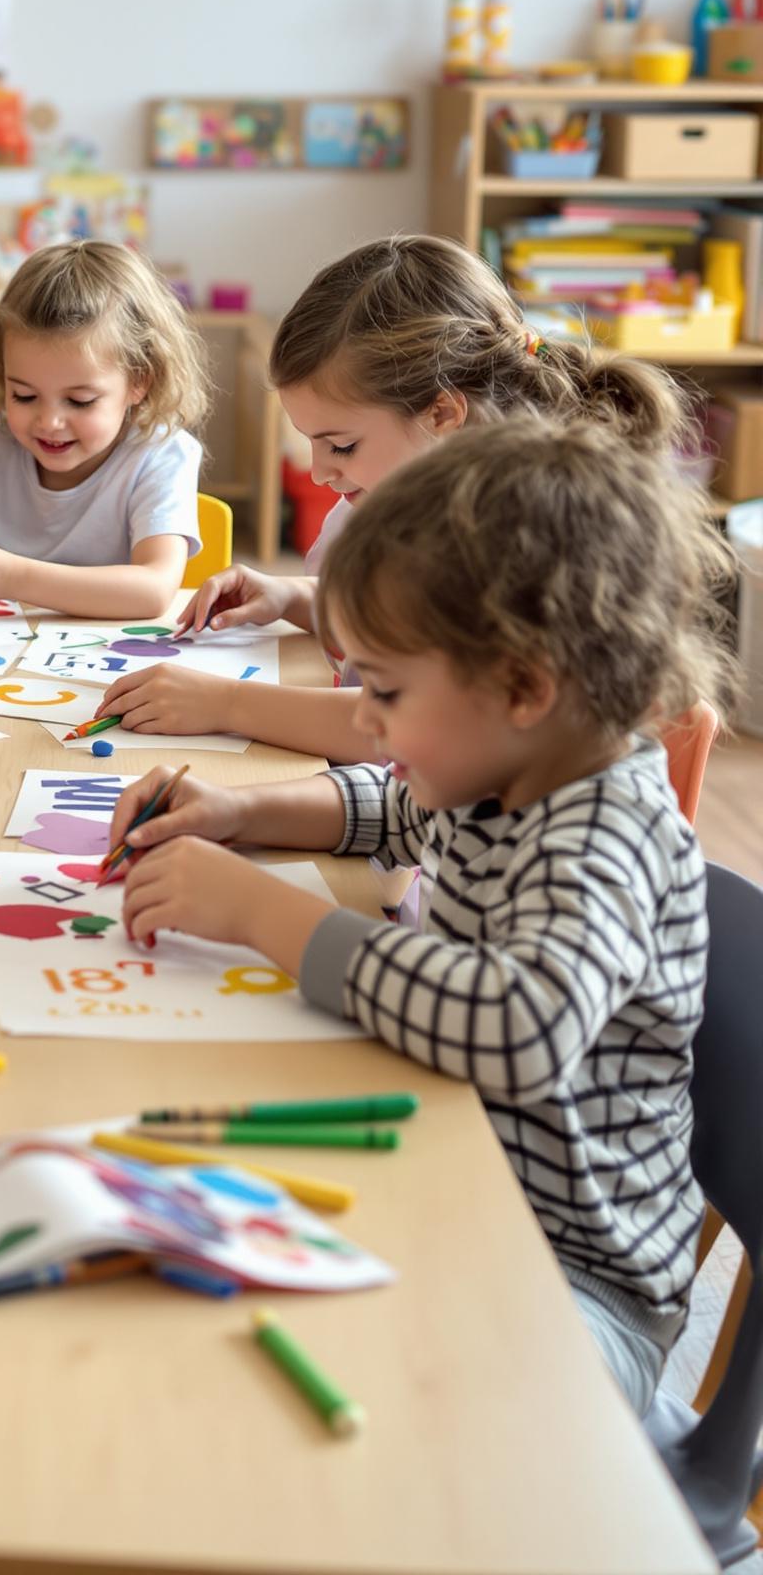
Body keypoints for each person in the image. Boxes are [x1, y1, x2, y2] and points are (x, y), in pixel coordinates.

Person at [103, 419, 726, 1416]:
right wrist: (242, 812)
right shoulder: (508, 767)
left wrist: (268, 915)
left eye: (385, 691)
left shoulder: (605, 832)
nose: (361, 720)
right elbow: (397, 810)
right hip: (452, 1182)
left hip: (569, 1282)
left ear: (523, 685)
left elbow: (520, 1026)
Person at [94, 233, 680, 758]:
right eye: (311, 445)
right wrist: (293, 596)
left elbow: (399, 725)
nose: (321, 472)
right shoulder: (392, 503)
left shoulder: (507, 548)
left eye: (341, 446)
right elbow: (393, 630)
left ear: (443, 413)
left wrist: (224, 704)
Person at [0, 240, 211, 617]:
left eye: (79, 401)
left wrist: (10, 577)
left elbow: (153, 590)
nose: (49, 422)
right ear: (2, 376)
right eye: (24, 396)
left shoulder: (159, 453)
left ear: (139, 381)